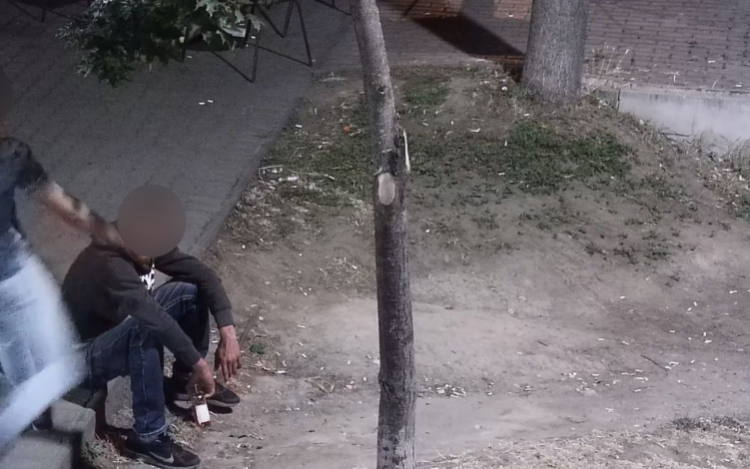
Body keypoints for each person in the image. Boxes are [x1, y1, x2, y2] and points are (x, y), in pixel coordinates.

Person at [61, 192, 243, 469]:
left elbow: (204, 276)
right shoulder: (110, 261)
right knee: (145, 327)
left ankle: (185, 381)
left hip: (111, 335)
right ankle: (149, 437)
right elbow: (154, 317)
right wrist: (201, 364)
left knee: (191, 290)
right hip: (80, 358)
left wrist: (228, 333)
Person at [0, 136, 124, 450]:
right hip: (14, 272)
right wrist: (108, 232)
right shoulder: (8, 155)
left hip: (14, 272)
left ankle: (35, 415)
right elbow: (66, 207)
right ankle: (12, 423)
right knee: (63, 368)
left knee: (15, 348)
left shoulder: (10, 155)